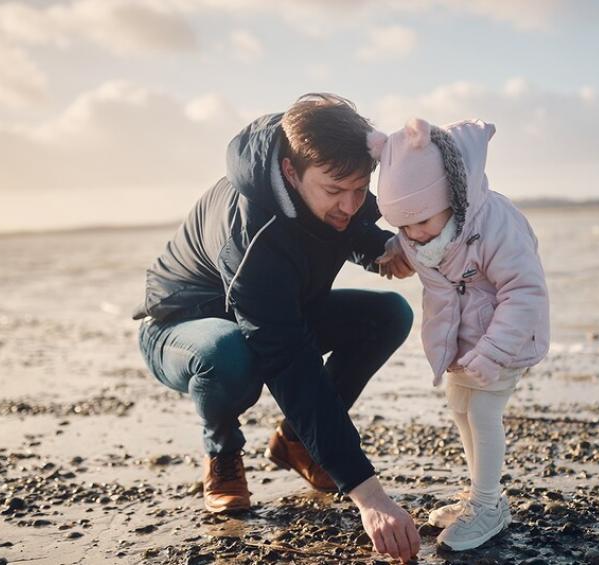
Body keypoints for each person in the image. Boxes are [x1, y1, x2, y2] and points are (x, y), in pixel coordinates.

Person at [133, 93, 420, 561]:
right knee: (229, 353)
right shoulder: (253, 231)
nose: (350, 204)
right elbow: (291, 363)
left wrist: (381, 248)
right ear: (290, 172)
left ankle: (296, 443)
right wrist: (370, 496)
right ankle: (222, 454)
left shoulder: (331, 176)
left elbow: (347, 224)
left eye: (360, 188)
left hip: (271, 311)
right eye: (334, 190)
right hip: (179, 329)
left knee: (388, 314)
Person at [373, 117, 550, 551]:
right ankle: (479, 495)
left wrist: (492, 350)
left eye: (421, 223)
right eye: (404, 227)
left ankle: (488, 506)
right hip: (464, 344)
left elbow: (524, 291)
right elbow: (431, 262)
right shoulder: (422, 230)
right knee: (459, 406)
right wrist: (397, 247)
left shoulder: (494, 224)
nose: (414, 235)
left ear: (452, 195)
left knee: (485, 412)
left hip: (504, 340)